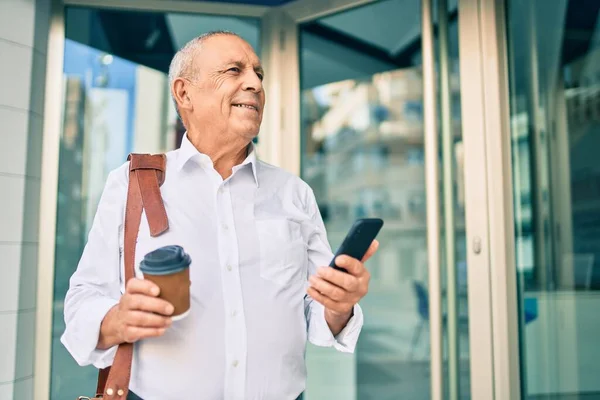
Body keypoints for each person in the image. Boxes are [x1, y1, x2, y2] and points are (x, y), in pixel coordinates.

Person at [62, 31, 378, 400]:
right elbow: (83, 300)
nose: (255, 84)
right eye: (234, 70)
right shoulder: (131, 185)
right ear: (184, 93)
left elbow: (316, 313)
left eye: (259, 74)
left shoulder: (295, 194)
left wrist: (340, 305)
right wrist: (117, 320)